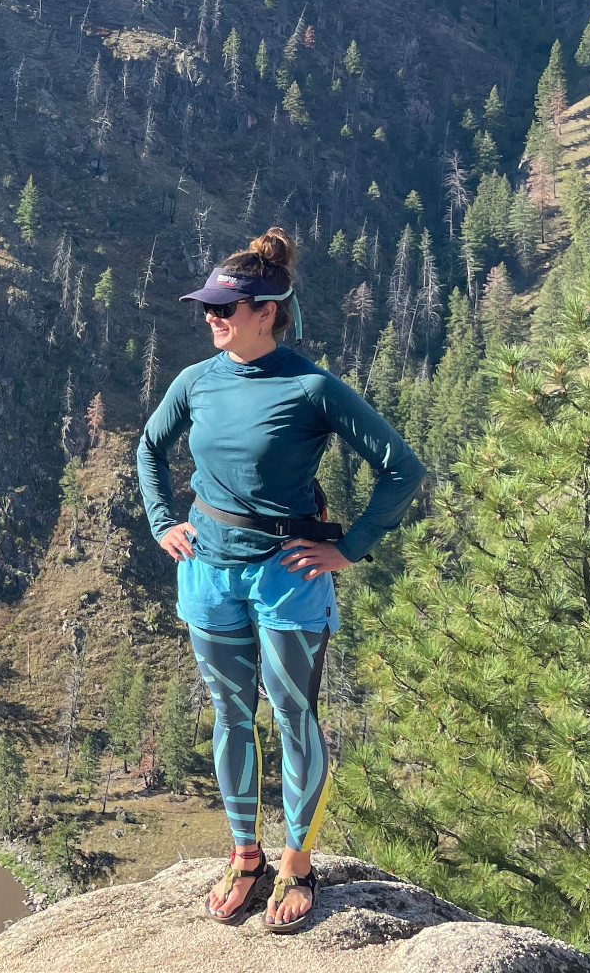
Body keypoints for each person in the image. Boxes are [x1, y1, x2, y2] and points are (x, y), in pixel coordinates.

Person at [135, 228, 425, 932]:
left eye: (224, 309)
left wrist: (350, 549)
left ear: (268, 309)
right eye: (207, 308)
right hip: (207, 569)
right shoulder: (196, 380)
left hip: (287, 576)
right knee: (231, 715)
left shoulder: (311, 386)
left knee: (294, 716)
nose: (211, 319)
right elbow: (149, 446)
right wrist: (159, 520)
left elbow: (404, 469)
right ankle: (246, 857)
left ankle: (298, 864)